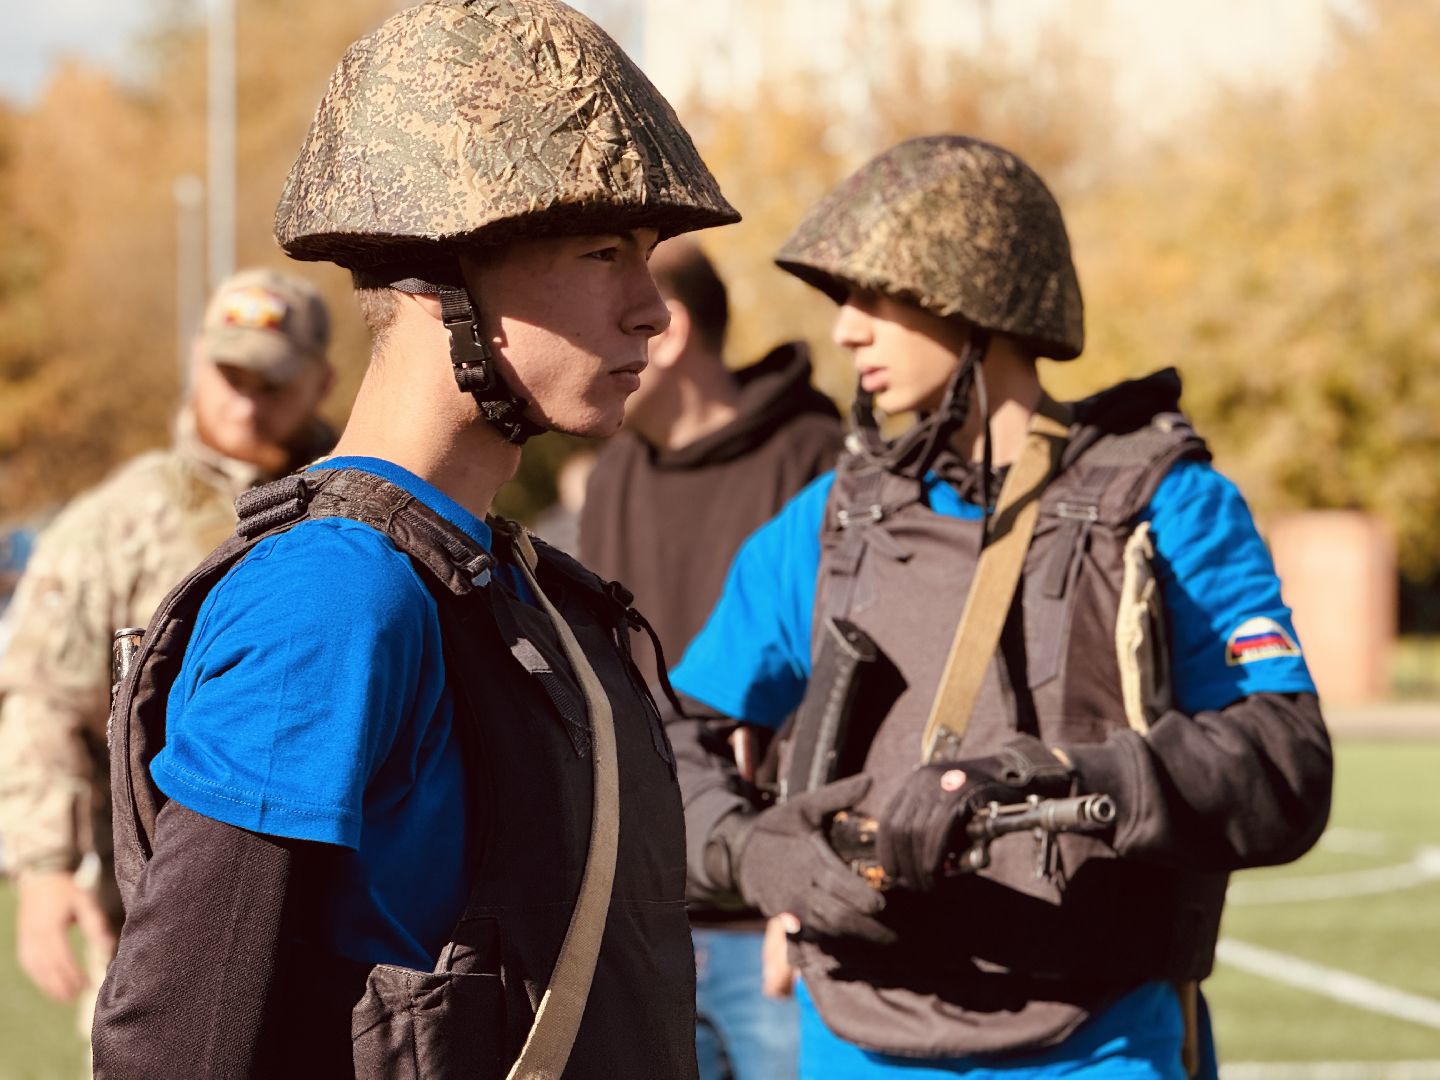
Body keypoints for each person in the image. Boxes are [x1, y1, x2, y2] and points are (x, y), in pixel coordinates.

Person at [91, 2, 738, 1077]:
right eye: (603, 252)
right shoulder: (331, 598)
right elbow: (177, 1043)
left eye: (649, 257)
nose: (652, 311)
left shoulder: (504, 580)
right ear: (447, 277)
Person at [669, 135, 1332, 1079]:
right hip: (853, 1038)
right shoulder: (828, 522)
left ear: (978, 297)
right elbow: (669, 737)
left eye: (876, 296)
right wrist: (752, 853)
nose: (847, 331)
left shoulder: (1163, 506)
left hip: (1098, 1040)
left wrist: (1052, 777)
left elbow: (1284, 759)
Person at [0, 267, 334, 1044]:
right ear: (195, 361)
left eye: (273, 383)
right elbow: (44, 697)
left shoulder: (356, 508)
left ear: (321, 382)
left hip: (338, 920)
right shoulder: (120, 521)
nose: (247, 403)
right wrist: (46, 867)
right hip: (154, 919)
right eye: (231, 376)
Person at [580, 237, 842, 1079]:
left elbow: (850, 692)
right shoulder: (613, 474)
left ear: (672, 328)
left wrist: (801, 889)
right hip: (640, 917)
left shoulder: (818, 459)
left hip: (772, 920)